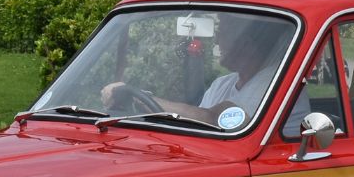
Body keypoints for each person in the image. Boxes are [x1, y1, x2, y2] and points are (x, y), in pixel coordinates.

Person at [101, 18, 285, 125]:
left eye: (223, 32)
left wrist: (138, 96)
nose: (216, 39)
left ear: (246, 42)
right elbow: (196, 123)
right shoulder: (222, 84)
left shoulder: (274, 84)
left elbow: (213, 119)